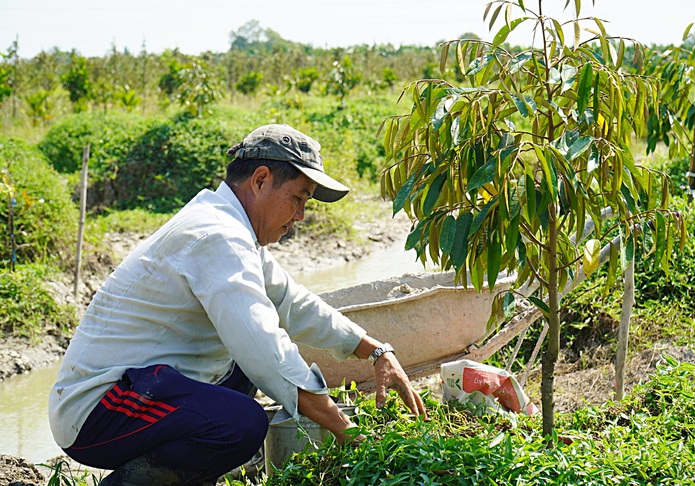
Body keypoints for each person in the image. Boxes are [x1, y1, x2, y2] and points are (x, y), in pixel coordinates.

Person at [49, 124, 426, 485]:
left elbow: (292, 303)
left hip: (144, 385)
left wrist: (376, 351)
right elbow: (265, 349)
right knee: (240, 423)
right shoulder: (217, 235)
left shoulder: (232, 229)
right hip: (97, 410)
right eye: (297, 198)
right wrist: (348, 431)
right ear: (260, 180)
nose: (299, 217)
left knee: (239, 377)